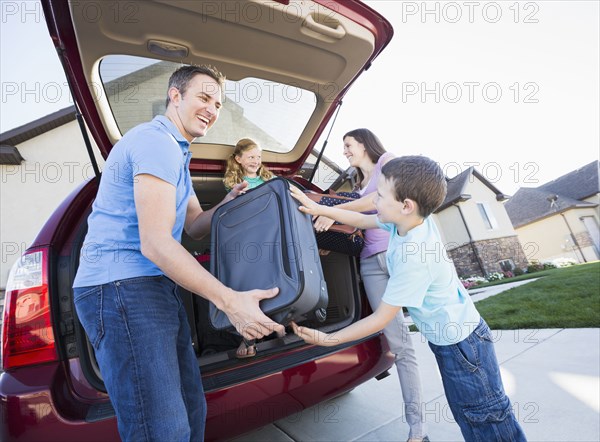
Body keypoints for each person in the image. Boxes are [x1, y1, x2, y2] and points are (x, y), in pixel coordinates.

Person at [72, 65, 284, 441]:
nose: (212, 109)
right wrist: (230, 302)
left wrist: (229, 202)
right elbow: (154, 242)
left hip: (152, 288)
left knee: (189, 409)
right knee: (162, 429)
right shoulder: (156, 143)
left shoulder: (177, 154)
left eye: (218, 103)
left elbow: (194, 225)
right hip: (120, 289)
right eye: (204, 97)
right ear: (175, 95)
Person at [290, 156, 527, 442]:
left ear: (405, 205)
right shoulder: (404, 224)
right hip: (453, 340)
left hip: (463, 346)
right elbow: (364, 219)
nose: (373, 199)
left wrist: (330, 339)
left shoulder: (414, 255)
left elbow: (381, 318)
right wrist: (319, 207)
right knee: (470, 413)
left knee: (486, 416)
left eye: (380, 194)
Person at [313, 128, 427, 441]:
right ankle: (417, 430)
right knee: (401, 345)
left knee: (440, 329)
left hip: (400, 256)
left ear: (364, 143)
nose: (345, 151)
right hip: (371, 264)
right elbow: (358, 221)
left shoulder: (389, 164)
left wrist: (330, 210)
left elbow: (384, 206)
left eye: (348, 145)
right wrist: (333, 228)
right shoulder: (357, 186)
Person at [222, 137, 277, 357]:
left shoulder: (269, 178)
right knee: (249, 286)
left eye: (259, 157)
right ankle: (249, 339)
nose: (256, 161)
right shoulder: (233, 182)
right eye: (251, 157)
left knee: (272, 282)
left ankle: (285, 324)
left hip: (270, 236)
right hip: (248, 239)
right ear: (238, 159)